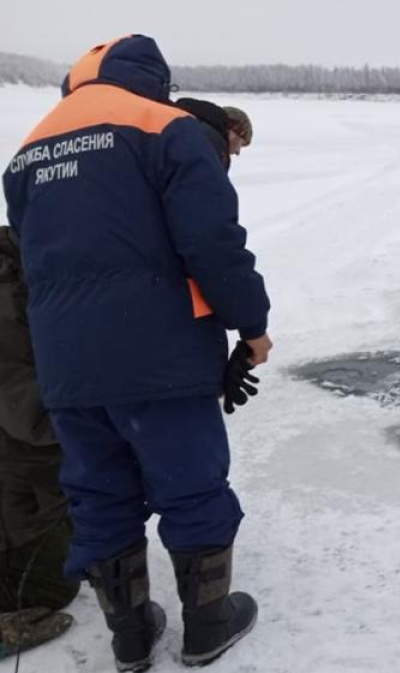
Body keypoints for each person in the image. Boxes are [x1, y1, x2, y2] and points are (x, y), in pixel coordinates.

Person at [2, 35, 272, 671]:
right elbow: (211, 241)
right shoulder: (164, 125)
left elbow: (34, 261)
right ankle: (206, 625)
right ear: (151, 77)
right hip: (159, 353)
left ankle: (129, 636)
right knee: (190, 481)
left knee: (97, 490)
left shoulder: (28, 150)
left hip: (65, 363)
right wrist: (251, 326)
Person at [0, 226, 79, 660]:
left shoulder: (31, 272)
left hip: (33, 481)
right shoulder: (14, 290)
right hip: (20, 491)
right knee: (53, 584)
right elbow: (29, 414)